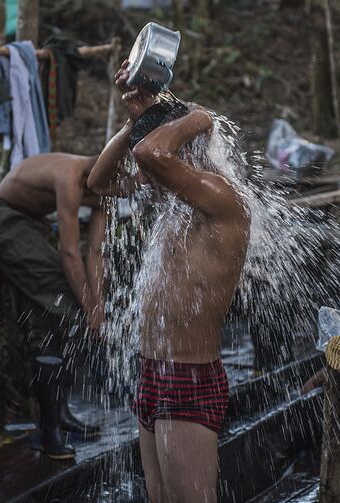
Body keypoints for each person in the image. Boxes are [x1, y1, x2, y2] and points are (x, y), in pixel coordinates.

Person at [88, 60, 250, 503]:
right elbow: (99, 181)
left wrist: (196, 117)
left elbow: (149, 155)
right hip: (151, 371)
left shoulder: (222, 198)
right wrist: (134, 121)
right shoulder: (173, 204)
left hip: (189, 377)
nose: (141, 178)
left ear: (182, 152)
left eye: (153, 162)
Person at [0, 153, 105, 459]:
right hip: (4, 220)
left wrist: (98, 306)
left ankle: (56, 419)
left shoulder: (108, 190)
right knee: (64, 293)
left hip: (32, 224)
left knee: (50, 316)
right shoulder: (69, 176)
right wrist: (89, 311)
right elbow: (70, 254)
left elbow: (96, 253)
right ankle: (49, 431)